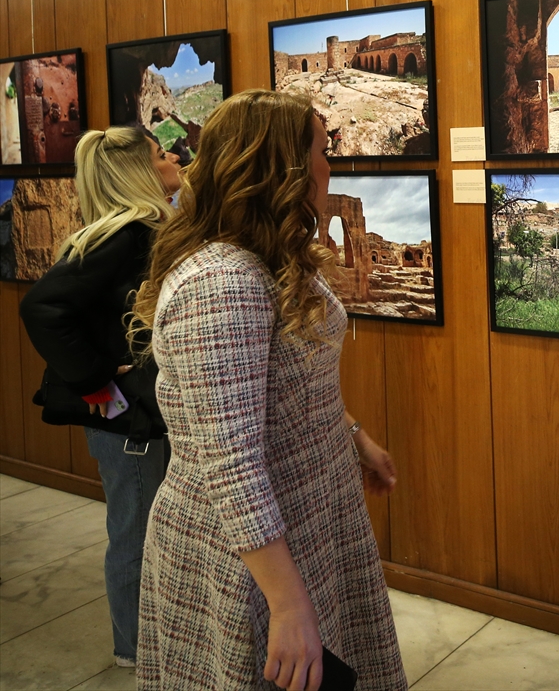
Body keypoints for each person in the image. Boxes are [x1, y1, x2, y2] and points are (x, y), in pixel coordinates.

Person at [129, 89, 406, 690]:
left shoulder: (265, 258)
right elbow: (230, 463)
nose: (329, 166)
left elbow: (284, 384)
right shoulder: (222, 284)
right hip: (249, 549)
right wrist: (286, 603)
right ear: (279, 167)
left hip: (302, 512)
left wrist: (352, 435)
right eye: (321, 152)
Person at [19, 126, 181, 668]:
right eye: (162, 155)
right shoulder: (126, 235)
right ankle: (135, 652)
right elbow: (42, 308)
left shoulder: (141, 230)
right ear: (138, 172)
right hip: (125, 422)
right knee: (134, 536)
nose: (174, 158)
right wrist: (101, 390)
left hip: (132, 414)